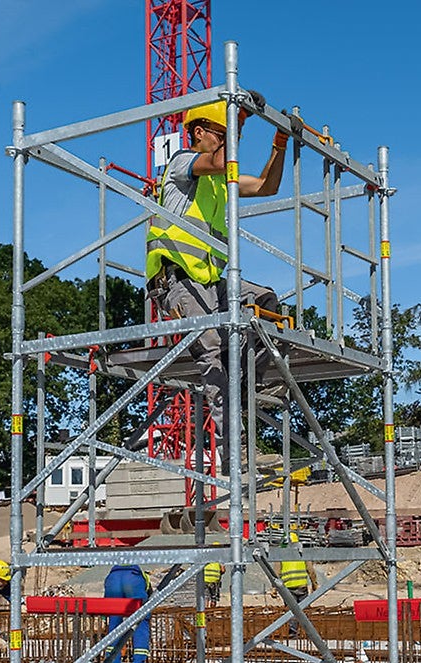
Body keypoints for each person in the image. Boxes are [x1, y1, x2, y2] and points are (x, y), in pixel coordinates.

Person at [146, 96, 288, 474]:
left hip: (212, 284)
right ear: (198, 132)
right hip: (177, 284)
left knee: (267, 304)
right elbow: (223, 161)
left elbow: (266, 186)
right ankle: (235, 453)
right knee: (212, 356)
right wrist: (239, 118)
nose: (229, 140)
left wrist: (279, 144)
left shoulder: (221, 180)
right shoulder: (181, 165)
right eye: (223, 133)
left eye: (231, 134)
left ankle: (258, 385)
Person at [104, 564, 155, 663]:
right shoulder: (142, 576)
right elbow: (149, 595)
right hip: (133, 580)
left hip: (112, 580)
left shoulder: (113, 572)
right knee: (141, 623)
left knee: (114, 624)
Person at [279, 532, 313, 637]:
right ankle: (307, 631)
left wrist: (274, 588)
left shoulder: (281, 555)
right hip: (302, 586)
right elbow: (310, 570)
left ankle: (293, 631)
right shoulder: (302, 553)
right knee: (303, 609)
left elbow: (276, 572)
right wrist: (314, 584)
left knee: (291, 610)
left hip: (287, 587)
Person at [203, 542, 225, 608]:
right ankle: (212, 613)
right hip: (214, 581)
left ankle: (205, 613)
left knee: (205, 597)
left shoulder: (206, 556)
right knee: (213, 598)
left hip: (205, 580)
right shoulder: (219, 557)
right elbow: (223, 570)